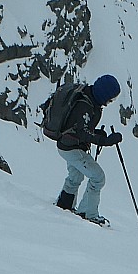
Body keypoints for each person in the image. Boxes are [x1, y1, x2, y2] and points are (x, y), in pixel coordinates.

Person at [54, 74, 122, 224]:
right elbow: (82, 132)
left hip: (66, 145)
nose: (110, 102)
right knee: (98, 178)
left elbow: (79, 127)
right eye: (110, 99)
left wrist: (97, 133)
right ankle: (87, 214)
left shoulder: (87, 98)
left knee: (75, 176)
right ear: (104, 94)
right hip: (72, 148)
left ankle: (64, 205)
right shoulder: (85, 105)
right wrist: (104, 141)